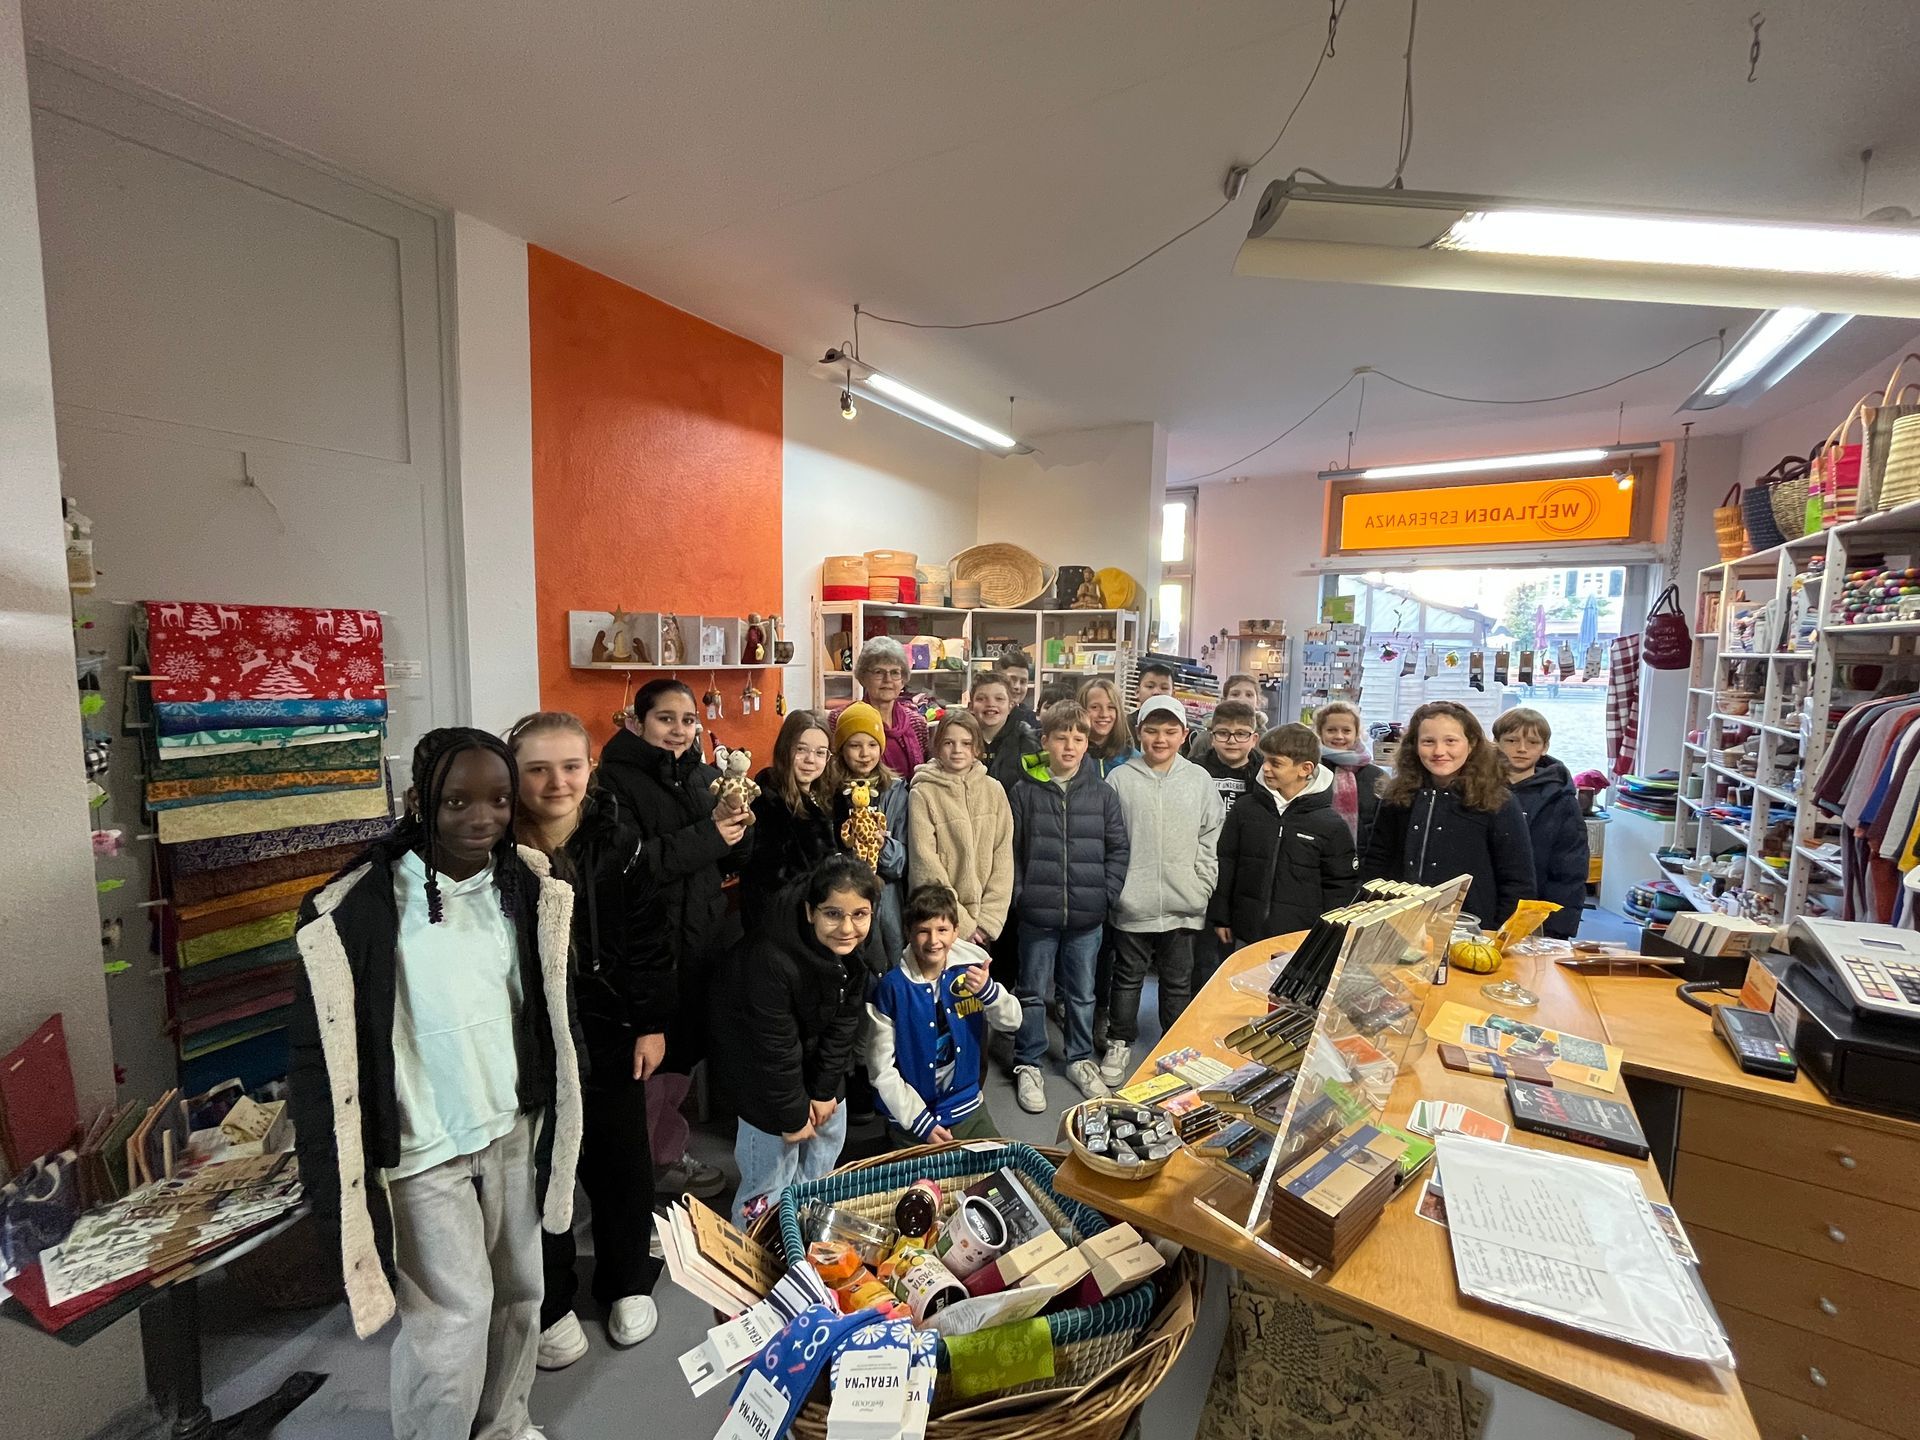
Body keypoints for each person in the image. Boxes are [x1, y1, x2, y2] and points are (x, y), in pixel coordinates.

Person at [288, 728, 580, 1440]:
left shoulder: (528, 887)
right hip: (421, 1144)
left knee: (519, 1294)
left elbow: (547, 1010)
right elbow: (319, 1049)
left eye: (498, 800)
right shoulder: (355, 905)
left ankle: (504, 1425)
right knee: (452, 1319)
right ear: (421, 801)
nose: (482, 817)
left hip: (510, 1124)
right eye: (457, 801)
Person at [506, 713, 671, 1368]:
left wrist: (651, 1022)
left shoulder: (619, 838)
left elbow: (649, 939)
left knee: (622, 1159)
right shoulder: (496, 848)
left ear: (590, 768)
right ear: (514, 774)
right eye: (538, 769)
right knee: (538, 1169)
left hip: (609, 1028)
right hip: (528, 1036)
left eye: (570, 766)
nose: (557, 782)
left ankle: (626, 1278)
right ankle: (549, 1301)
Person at [596, 679, 747, 1201]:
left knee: (682, 1051)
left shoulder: (704, 776)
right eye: (665, 719)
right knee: (645, 1061)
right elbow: (634, 865)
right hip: (648, 945)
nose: (678, 730)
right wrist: (711, 836)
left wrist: (740, 829)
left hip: (698, 938)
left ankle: (664, 1154)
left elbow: (724, 859)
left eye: (687, 720)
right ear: (637, 722)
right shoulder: (613, 783)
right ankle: (634, 1174)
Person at [711, 853, 876, 1227]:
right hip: (762, 1074)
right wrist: (792, 1114)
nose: (847, 927)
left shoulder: (853, 948)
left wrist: (824, 1090)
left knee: (819, 1170)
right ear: (809, 912)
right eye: (832, 914)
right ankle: (755, 1247)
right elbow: (773, 1047)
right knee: (767, 1184)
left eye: (859, 914)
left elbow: (845, 1024)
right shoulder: (769, 957)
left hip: (812, 1058)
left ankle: (802, 1235)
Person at [1008, 701, 1130, 1113]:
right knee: (1031, 992)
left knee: (1081, 993)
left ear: (1087, 744)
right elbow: (1012, 851)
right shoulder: (1024, 792)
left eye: (1078, 738)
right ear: (1045, 741)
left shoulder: (1103, 794)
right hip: (1037, 913)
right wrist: (1021, 895)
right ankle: (1028, 1062)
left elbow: (1118, 849)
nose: (1070, 746)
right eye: (1061, 737)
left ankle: (1079, 1058)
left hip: (1087, 915)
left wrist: (1105, 894)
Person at [1101, 698, 1224, 1084]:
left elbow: (1211, 835)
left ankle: (1175, 1043)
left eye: (1170, 731)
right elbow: (1108, 839)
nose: (1160, 739)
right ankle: (1120, 1039)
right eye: (1152, 731)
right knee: (1127, 977)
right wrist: (1117, 889)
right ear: (1138, 733)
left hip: (1184, 901)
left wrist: (1202, 884)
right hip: (1131, 902)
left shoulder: (1198, 780)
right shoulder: (1120, 779)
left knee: (1177, 980)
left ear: (1184, 735)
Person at [865, 884, 1021, 1147]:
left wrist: (989, 993)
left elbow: (1012, 1022)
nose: (933, 940)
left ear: (956, 931)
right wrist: (919, 1121)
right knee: (919, 1175)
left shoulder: (972, 970)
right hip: (911, 1116)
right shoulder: (892, 988)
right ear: (908, 933)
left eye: (942, 930)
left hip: (965, 1106)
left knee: (1001, 1166)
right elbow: (880, 1069)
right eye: (923, 931)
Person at [1361, 700, 1535, 930]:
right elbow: (1376, 865)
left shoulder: (1499, 801)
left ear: (1471, 744)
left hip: (1470, 930)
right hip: (1398, 927)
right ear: (1414, 746)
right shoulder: (1397, 797)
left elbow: (1518, 882)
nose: (1439, 752)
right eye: (1428, 742)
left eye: (1450, 741)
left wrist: (1497, 936)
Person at [1209, 722, 1358, 951]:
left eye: (1275, 763)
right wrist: (1221, 917)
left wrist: (1329, 936)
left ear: (1305, 768)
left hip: (1301, 940)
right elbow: (1226, 862)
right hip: (1246, 933)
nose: (1265, 768)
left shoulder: (1331, 825)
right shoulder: (1245, 809)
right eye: (1265, 760)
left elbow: (1340, 886)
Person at [907, 709, 1014, 948]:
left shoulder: (994, 790)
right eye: (949, 743)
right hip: (940, 923)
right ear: (937, 747)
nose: (957, 750)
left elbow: (1003, 858)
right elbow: (925, 863)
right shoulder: (923, 792)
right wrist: (962, 923)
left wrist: (988, 920)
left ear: (977, 748)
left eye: (966, 743)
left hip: (984, 925)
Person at [1492, 707, 1588, 939]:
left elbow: (1570, 869)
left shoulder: (1561, 800)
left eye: (1532, 742)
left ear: (1545, 747)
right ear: (1496, 743)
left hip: (1538, 917)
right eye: (1512, 740)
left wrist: (1557, 928)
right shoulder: (1478, 792)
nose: (1522, 749)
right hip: (1487, 909)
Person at [829, 701, 910, 965]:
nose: (865, 753)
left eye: (872, 745)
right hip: (840, 894)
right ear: (842, 748)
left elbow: (902, 862)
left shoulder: (896, 791)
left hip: (885, 899)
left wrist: (883, 844)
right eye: (855, 745)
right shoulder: (829, 790)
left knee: (887, 961)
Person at [741, 709, 837, 921]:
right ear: (785, 749)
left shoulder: (829, 796)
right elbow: (771, 880)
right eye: (801, 749)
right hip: (789, 920)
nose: (810, 760)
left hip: (826, 915)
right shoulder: (768, 801)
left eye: (820, 752)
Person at [1314, 700, 1386, 851]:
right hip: (1317, 852)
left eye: (1346, 731)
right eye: (1331, 730)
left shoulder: (1377, 776)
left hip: (1363, 855)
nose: (1339, 736)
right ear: (1320, 732)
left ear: (1356, 734)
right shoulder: (1311, 771)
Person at [857, 636, 931, 774]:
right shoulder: (845, 719)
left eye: (895, 673)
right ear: (863, 677)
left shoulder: (917, 723)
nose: (888, 680)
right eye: (878, 672)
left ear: (903, 680)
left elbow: (925, 774)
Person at [969, 672, 1038, 792]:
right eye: (981, 699)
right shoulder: (960, 739)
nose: (990, 704)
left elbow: (1041, 786)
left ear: (1011, 705)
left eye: (999, 699)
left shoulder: (1029, 740)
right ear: (971, 706)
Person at [1194, 700, 1262, 810]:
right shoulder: (1195, 769)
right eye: (1223, 733)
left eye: (1241, 734)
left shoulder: (1264, 772)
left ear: (1254, 740)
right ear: (1212, 738)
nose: (1231, 741)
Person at [1079, 677, 1137, 780]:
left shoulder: (1132, 758)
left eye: (1111, 707)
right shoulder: (1072, 755)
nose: (1104, 714)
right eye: (1095, 707)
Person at [996, 652, 1040, 732]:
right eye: (1012, 680)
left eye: (1023, 682)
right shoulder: (983, 715)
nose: (1017, 686)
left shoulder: (1033, 723)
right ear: (996, 679)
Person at [1131, 662, 1176, 730]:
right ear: (1137, 692)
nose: (1156, 692)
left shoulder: (1180, 724)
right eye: (1150, 686)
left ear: (1173, 694)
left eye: (1164, 688)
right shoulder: (1124, 726)